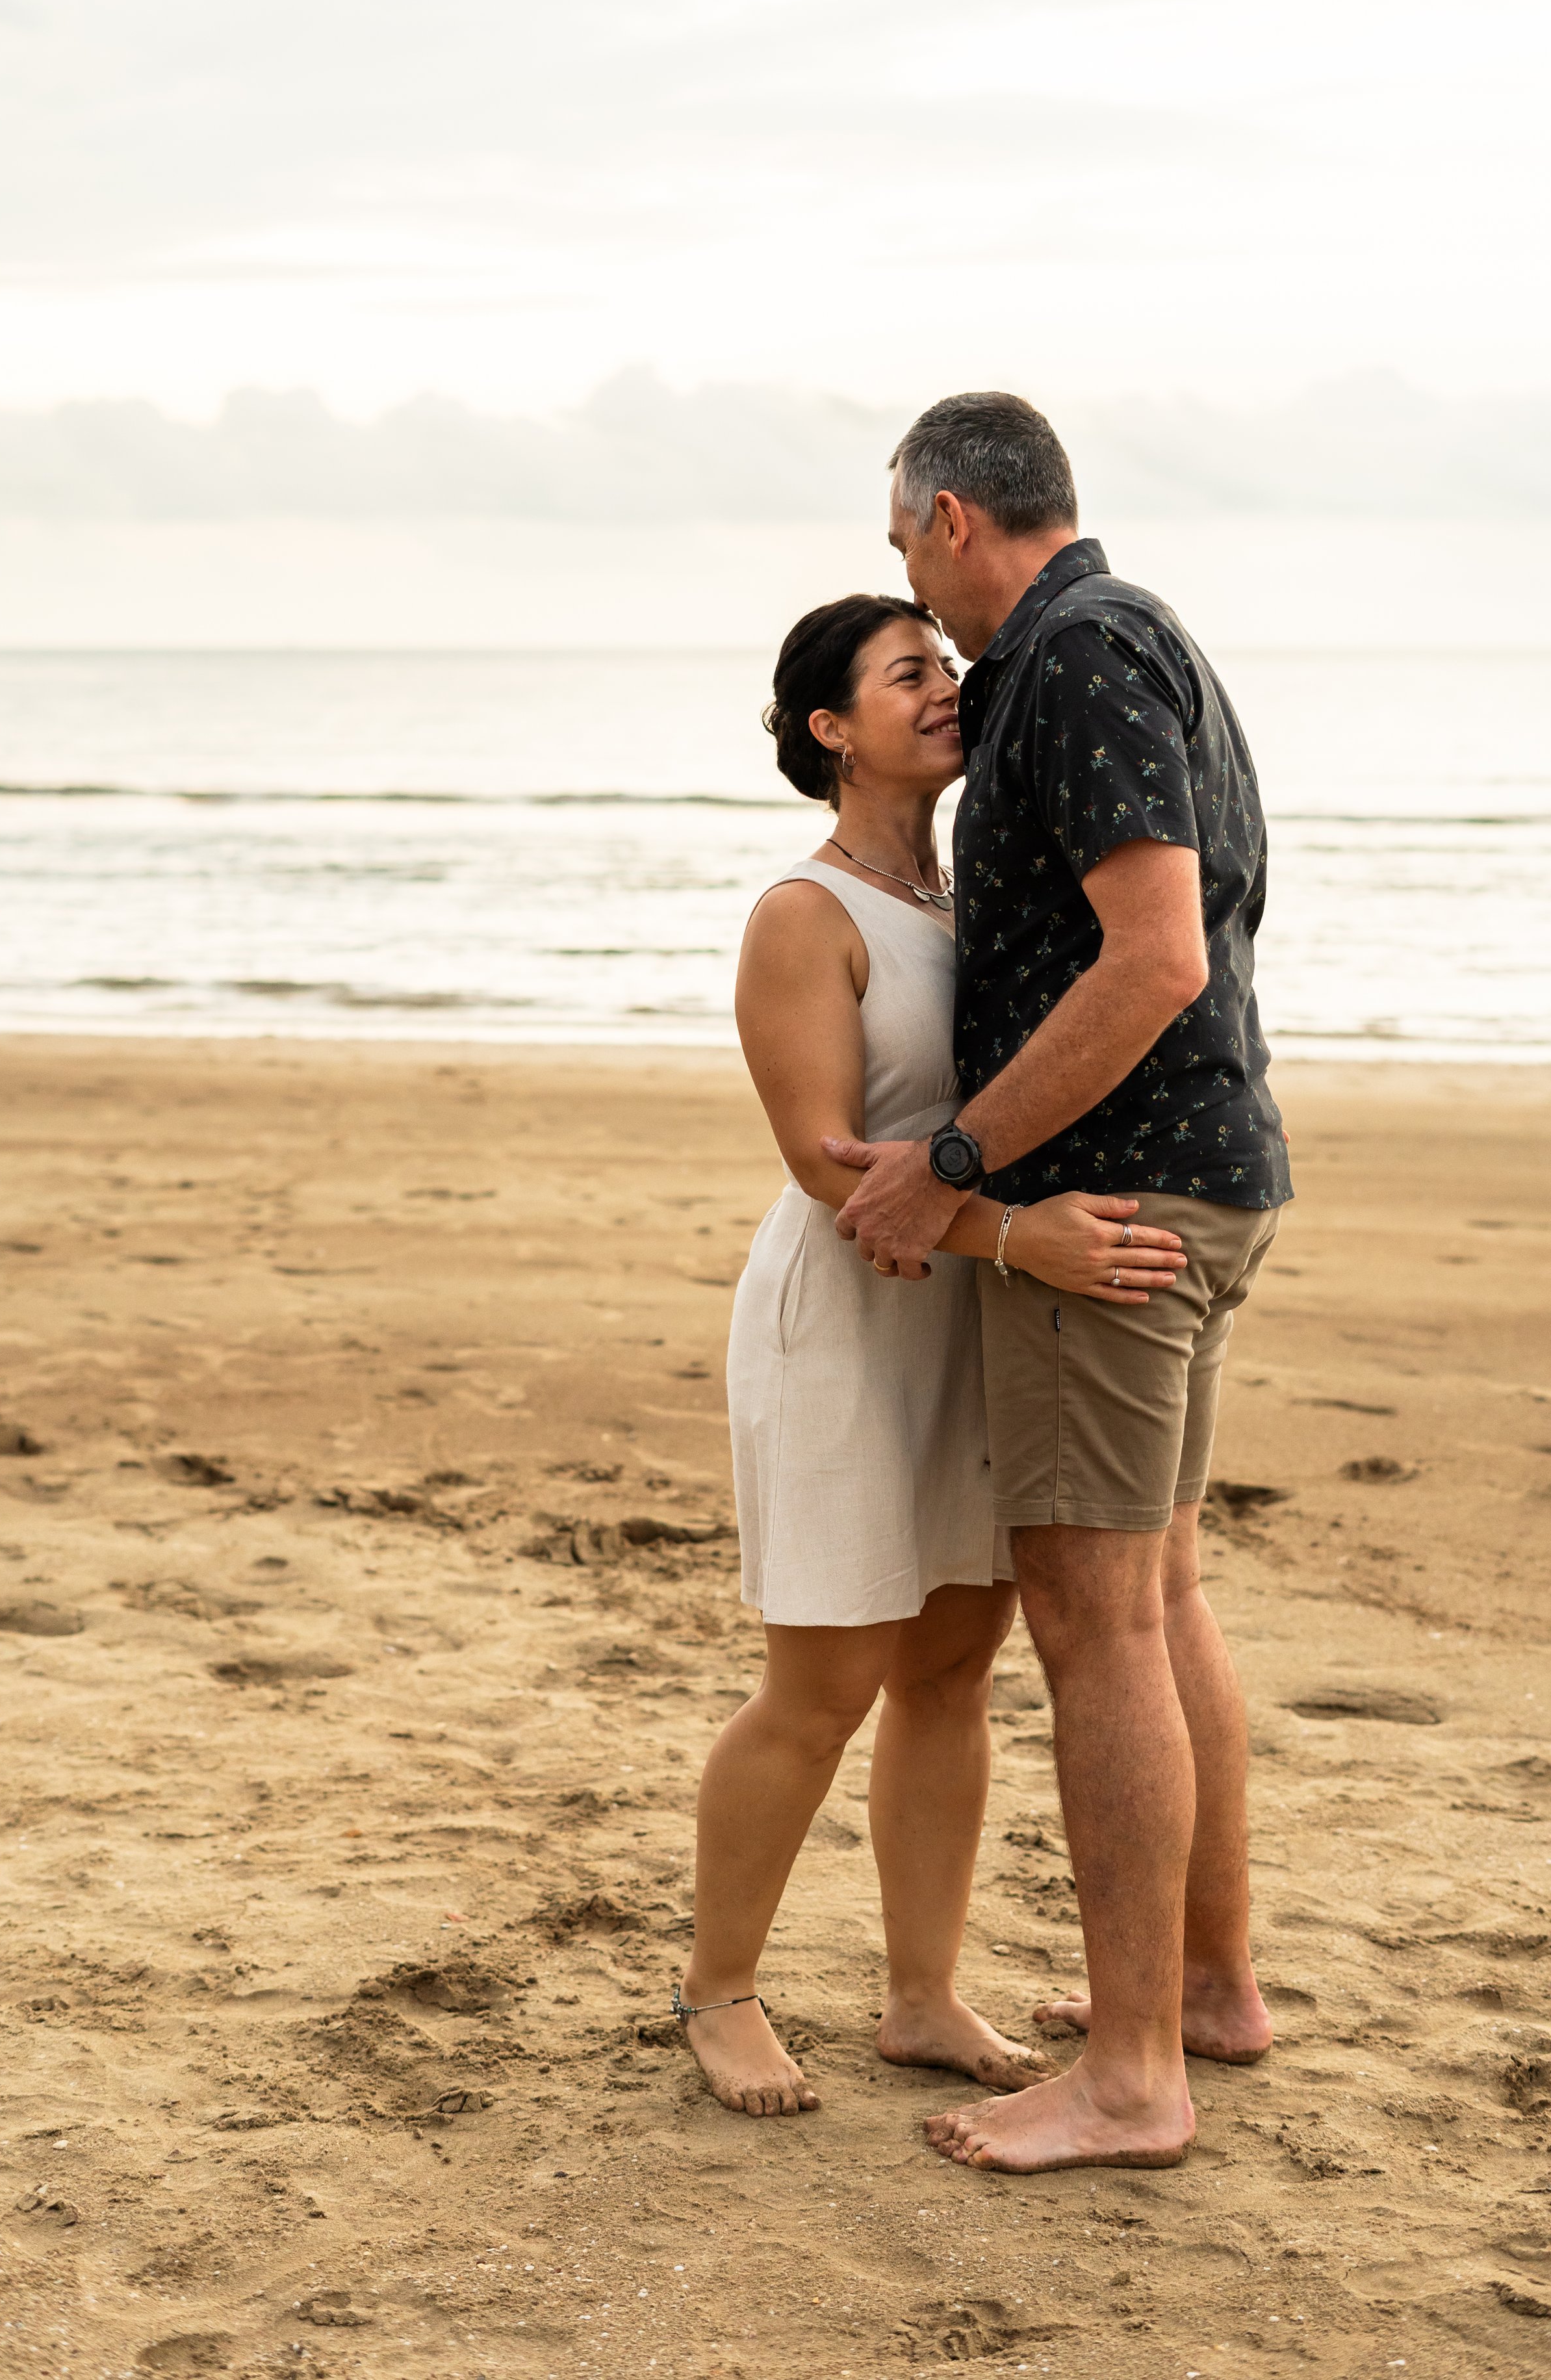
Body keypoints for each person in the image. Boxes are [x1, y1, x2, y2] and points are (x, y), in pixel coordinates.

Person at [827, 393, 1292, 2173]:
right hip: (1197, 1178)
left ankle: (1125, 2077)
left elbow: (1157, 954)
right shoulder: (1127, 637)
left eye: (901, 553)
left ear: (950, 516)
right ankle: (1204, 1990)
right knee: (1159, 1597)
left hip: (1114, 1209)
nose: (912, 598)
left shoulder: (1077, 655)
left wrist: (952, 1163)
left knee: (1094, 1618)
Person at [674, 591, 1188, 2119]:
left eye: (946, 664)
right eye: (909, 674)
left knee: (954, 1668)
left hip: (964, 1321)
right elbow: (833, 1166)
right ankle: (717, 1991)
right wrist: (1023, 1241)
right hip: (844, 1321)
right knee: (821, 1677)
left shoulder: (967, 896)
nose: (946, 687)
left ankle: (917, 1996)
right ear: (831, 730)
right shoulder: (800, 913)